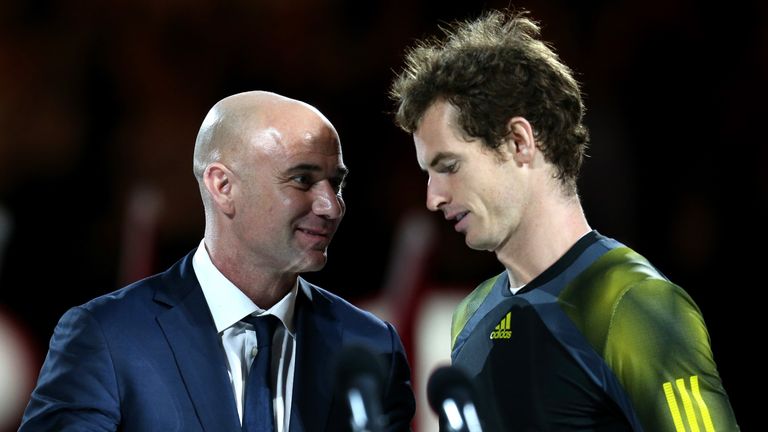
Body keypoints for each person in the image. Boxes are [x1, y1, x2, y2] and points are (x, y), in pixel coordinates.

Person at [390, 9, 738, 432]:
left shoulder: (634, 304)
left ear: (519, 142)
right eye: (428, 174)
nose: (433, 197)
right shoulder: (472, 314)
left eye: (449, 166)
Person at [20, 91, 415, 432]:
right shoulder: (107, 338)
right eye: (303, 180)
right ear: (223, 186)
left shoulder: (371, 347)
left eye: (337, 183)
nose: (331, 206)